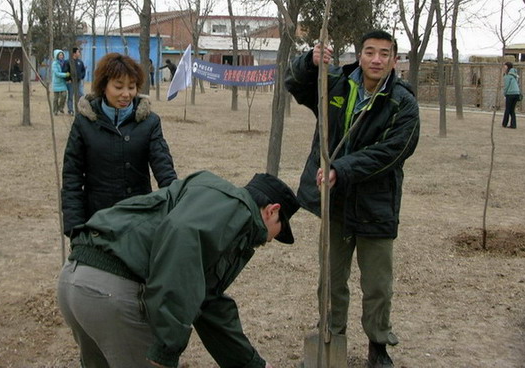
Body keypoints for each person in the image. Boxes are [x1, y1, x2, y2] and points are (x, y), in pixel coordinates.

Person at [57, 169, 300, 368]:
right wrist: (166, 348)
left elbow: (207, 300)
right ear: (272, 211)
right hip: (111, 292)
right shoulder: (233, 209)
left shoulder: (214, 203)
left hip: (75, 281)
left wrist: (252, 364)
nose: (270, 241)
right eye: (280, 231)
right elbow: (181, 246)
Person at [285, 30, 420, 368]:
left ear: (394, 60)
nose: (377, 59)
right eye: (370, 52)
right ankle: (330, 336)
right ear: (359, 55)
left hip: (377, 205)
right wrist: (309, 62)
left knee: (377, 284)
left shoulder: (402, 102)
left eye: (384, 54)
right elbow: (295, 85)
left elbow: (393, 151)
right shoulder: (338, 84)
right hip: (337, 204)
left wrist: (340, 169)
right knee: (330, 277)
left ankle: (379, 345)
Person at [61, 52, 177, 240]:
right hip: (97, 222)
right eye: (118, 86)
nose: (126, 94)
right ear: (103, 86)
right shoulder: (84, 122)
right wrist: (75, 228)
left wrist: (178, 204)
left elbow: (164, 169)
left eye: (131, 87)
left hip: (139, 221)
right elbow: (72, 177)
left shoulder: (150, 122)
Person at [65, 47, 87, 115]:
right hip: (71, 82)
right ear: (74, 53)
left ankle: (79, 109)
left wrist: (82, 76)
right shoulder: (68, 61)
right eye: (78, 52)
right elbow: (65, 71)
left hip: (78, 82)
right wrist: (68, 79)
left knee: (81, 95)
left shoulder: (80, 62)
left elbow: (83, 70)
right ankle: (70, 110)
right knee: (71, 96)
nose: (79, 53)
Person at [502, 61, 521, 129]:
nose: (504, 68)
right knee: (512, 110)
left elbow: (506, 86)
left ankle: (504, 123)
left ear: (507, 67)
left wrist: (504, 93)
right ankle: (513, 124)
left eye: (504, 67)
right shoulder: (515, 75)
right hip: (516, 93)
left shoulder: (508, 76)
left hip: (510, 93)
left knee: (507, 109)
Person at [51, 50, 69, 115]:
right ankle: (55, 110)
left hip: (63, 82)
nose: (61, 56)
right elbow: (57, 73)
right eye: (60, 55)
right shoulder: (54, 63)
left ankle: (61, 107)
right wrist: (65, 75)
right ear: (57, 56)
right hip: (56, 82)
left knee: (64, 95)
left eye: (62, 55)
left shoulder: (64, 62)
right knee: (56, 98)